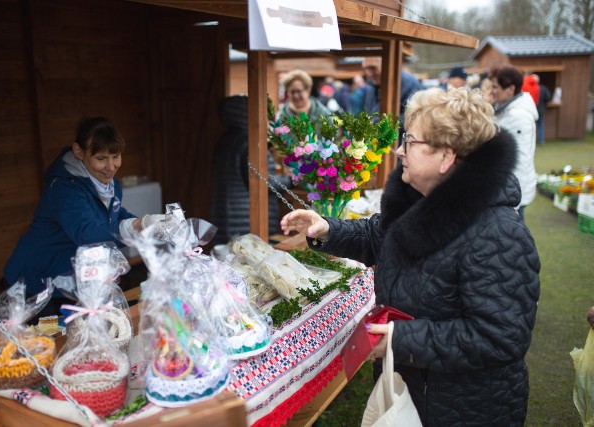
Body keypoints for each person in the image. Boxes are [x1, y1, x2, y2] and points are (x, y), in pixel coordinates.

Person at [281, 87, 541, 426]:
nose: (399, 149)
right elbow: (379, 237)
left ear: (446, 157)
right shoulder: (418, 199)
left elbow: (500, 336)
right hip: (416, 391)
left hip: (464, 408)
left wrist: (402, 339)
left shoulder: (498, 234)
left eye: (411, 141)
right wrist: (326, 229)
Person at [3, 116, 162, 315]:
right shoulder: (63, 189)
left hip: (71, 280)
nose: (111, 166)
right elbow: (86, 233)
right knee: (50, 342)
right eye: (101, 158)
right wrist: (137, 225)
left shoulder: (109, 185)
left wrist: (148, 225)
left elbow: (114, 216)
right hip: (36, 281)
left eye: (116, 156)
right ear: (79, 152)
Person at [210, 95, 291, 245]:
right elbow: (263, 181)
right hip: (246, 222)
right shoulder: (250, 143)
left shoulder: (226, 139)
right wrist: (291, 180)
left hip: (226, 218)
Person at [491, 65, 539, 223]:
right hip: (506, 188)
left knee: (515, 234)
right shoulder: (505, 110)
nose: (492, 91)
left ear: (510, 89)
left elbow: (520, 160)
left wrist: (513, 198)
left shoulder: (519, 117)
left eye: (496, 87)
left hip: (514, 193)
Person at [534, 74, 551, 145]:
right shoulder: (543, 88)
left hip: (533, 110)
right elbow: (548, 99)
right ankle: (541, 140)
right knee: (540, 125)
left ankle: (533, 141)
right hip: (541, 110)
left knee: (533, 126)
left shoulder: (531, 89)